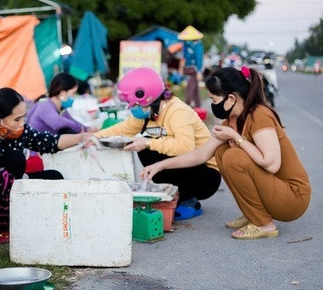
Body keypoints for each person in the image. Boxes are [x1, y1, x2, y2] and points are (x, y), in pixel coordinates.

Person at [143, 66, 311, 239]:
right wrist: (160, 165)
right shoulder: (232, 121)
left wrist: (237, 138)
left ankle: (264, 224)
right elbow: (201, 154)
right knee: (222, 151)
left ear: (231, 98)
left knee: (233, 156)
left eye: (214, 100)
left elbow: (272, 163)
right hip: (275, 190)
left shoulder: (260, 115)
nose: (214, 105)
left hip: (293, 197)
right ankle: (252, 214)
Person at [0, 87, 93, 231]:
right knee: (16, 157)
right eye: (17, 119)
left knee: (55, 176)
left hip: (12, 184)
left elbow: (50, 142)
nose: (22, 123)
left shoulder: (19, 132)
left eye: (23, 117)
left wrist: (80, 137)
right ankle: (7, 217)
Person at [94, 67, 221, 220]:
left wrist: (148, 142)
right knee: (144, 149)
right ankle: (176, 196)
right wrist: (94, 137)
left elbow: (184, 147)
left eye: (133, 104)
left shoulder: (178, 111)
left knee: (147, 146)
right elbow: (123, 129)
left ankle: (189, 201)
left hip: (206, 175)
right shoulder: (147, 112)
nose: (132, 108)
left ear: (147, 98)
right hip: (186, 166)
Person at [27, 73, 96, 134]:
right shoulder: (45, 105)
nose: (74, 97)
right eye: (73, 93)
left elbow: (71, 120)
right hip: (38, 148)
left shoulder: (60, 108)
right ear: (63, 92)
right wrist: (78, 128)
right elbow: (57, 122)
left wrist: (87, 129)